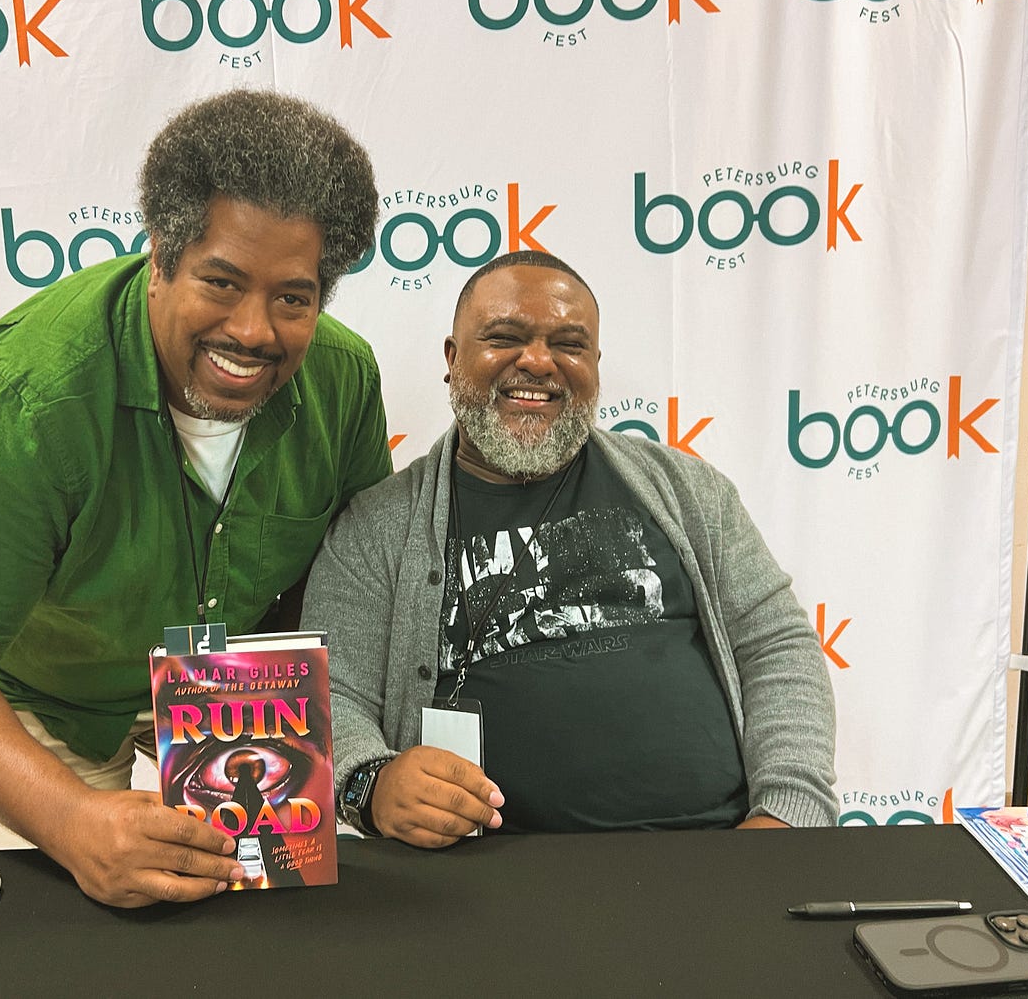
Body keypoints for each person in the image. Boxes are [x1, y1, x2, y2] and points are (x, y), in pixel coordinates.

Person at [0, 89, 391, 907]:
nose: (255, 330)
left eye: (292, 297)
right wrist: (75, 820)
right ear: (160, 255)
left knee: (279, 933)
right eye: (220, 282)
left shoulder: (346, 378)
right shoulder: (32, 400)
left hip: (237, 685)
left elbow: (352, 581)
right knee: (84, 934)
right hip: (52, 707)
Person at [303, 250, 838, 847]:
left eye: (570, 344)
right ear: (452, 361)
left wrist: (788, 816)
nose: (537, 361)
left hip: (715, 859)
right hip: (477, 885)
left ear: (596, 366)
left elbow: (776, 647)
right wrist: (370, 785)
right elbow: (329, 695)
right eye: (504, 337)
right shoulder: (377, 527)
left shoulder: (687, 491)